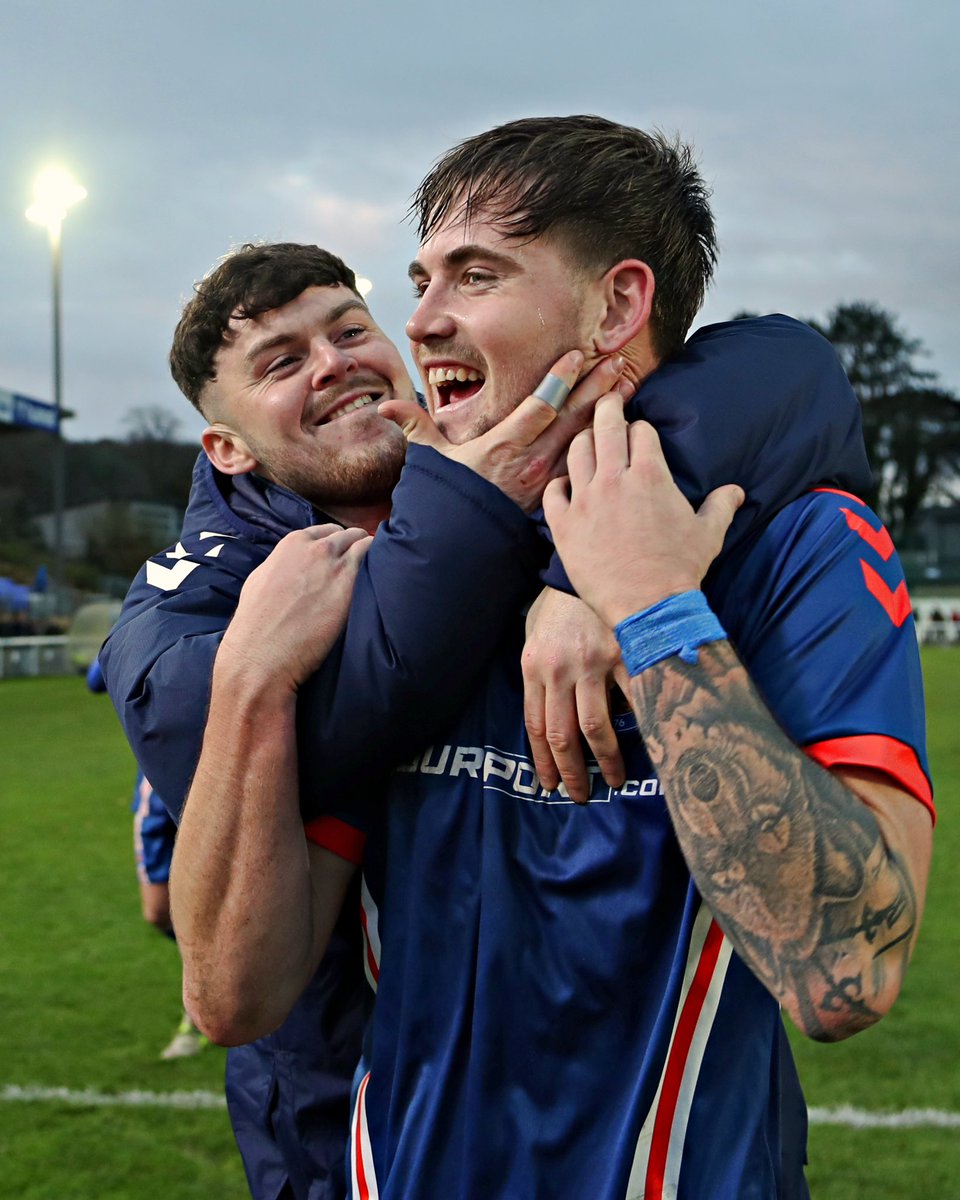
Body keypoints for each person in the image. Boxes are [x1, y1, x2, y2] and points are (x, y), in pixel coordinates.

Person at [155, 117, 933, 1199]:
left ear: (617, 306)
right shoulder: (419, 573)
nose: (419, 321)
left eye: (476, 276)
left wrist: (652, 607)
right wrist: (252, 679)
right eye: (420, 280)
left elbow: (845, 971)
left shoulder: (799, 546)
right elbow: (237, 995)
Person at [100, 240, 616, 1199]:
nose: (333, 364)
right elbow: (179, 713)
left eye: (347, 330)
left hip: (591, 1108)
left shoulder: (506, 464)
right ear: (227, 449)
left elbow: (765, 381)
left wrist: (575, 575)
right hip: (344, 1131)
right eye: (282, 362)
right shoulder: (211, 589)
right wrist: (261, 665)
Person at [85, 657, 205, 1059]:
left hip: (238, 762)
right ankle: (214, 977)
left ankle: (207, 1007)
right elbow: (97, 678)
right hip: (160, 779)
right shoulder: (157, 614)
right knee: (158, 910)